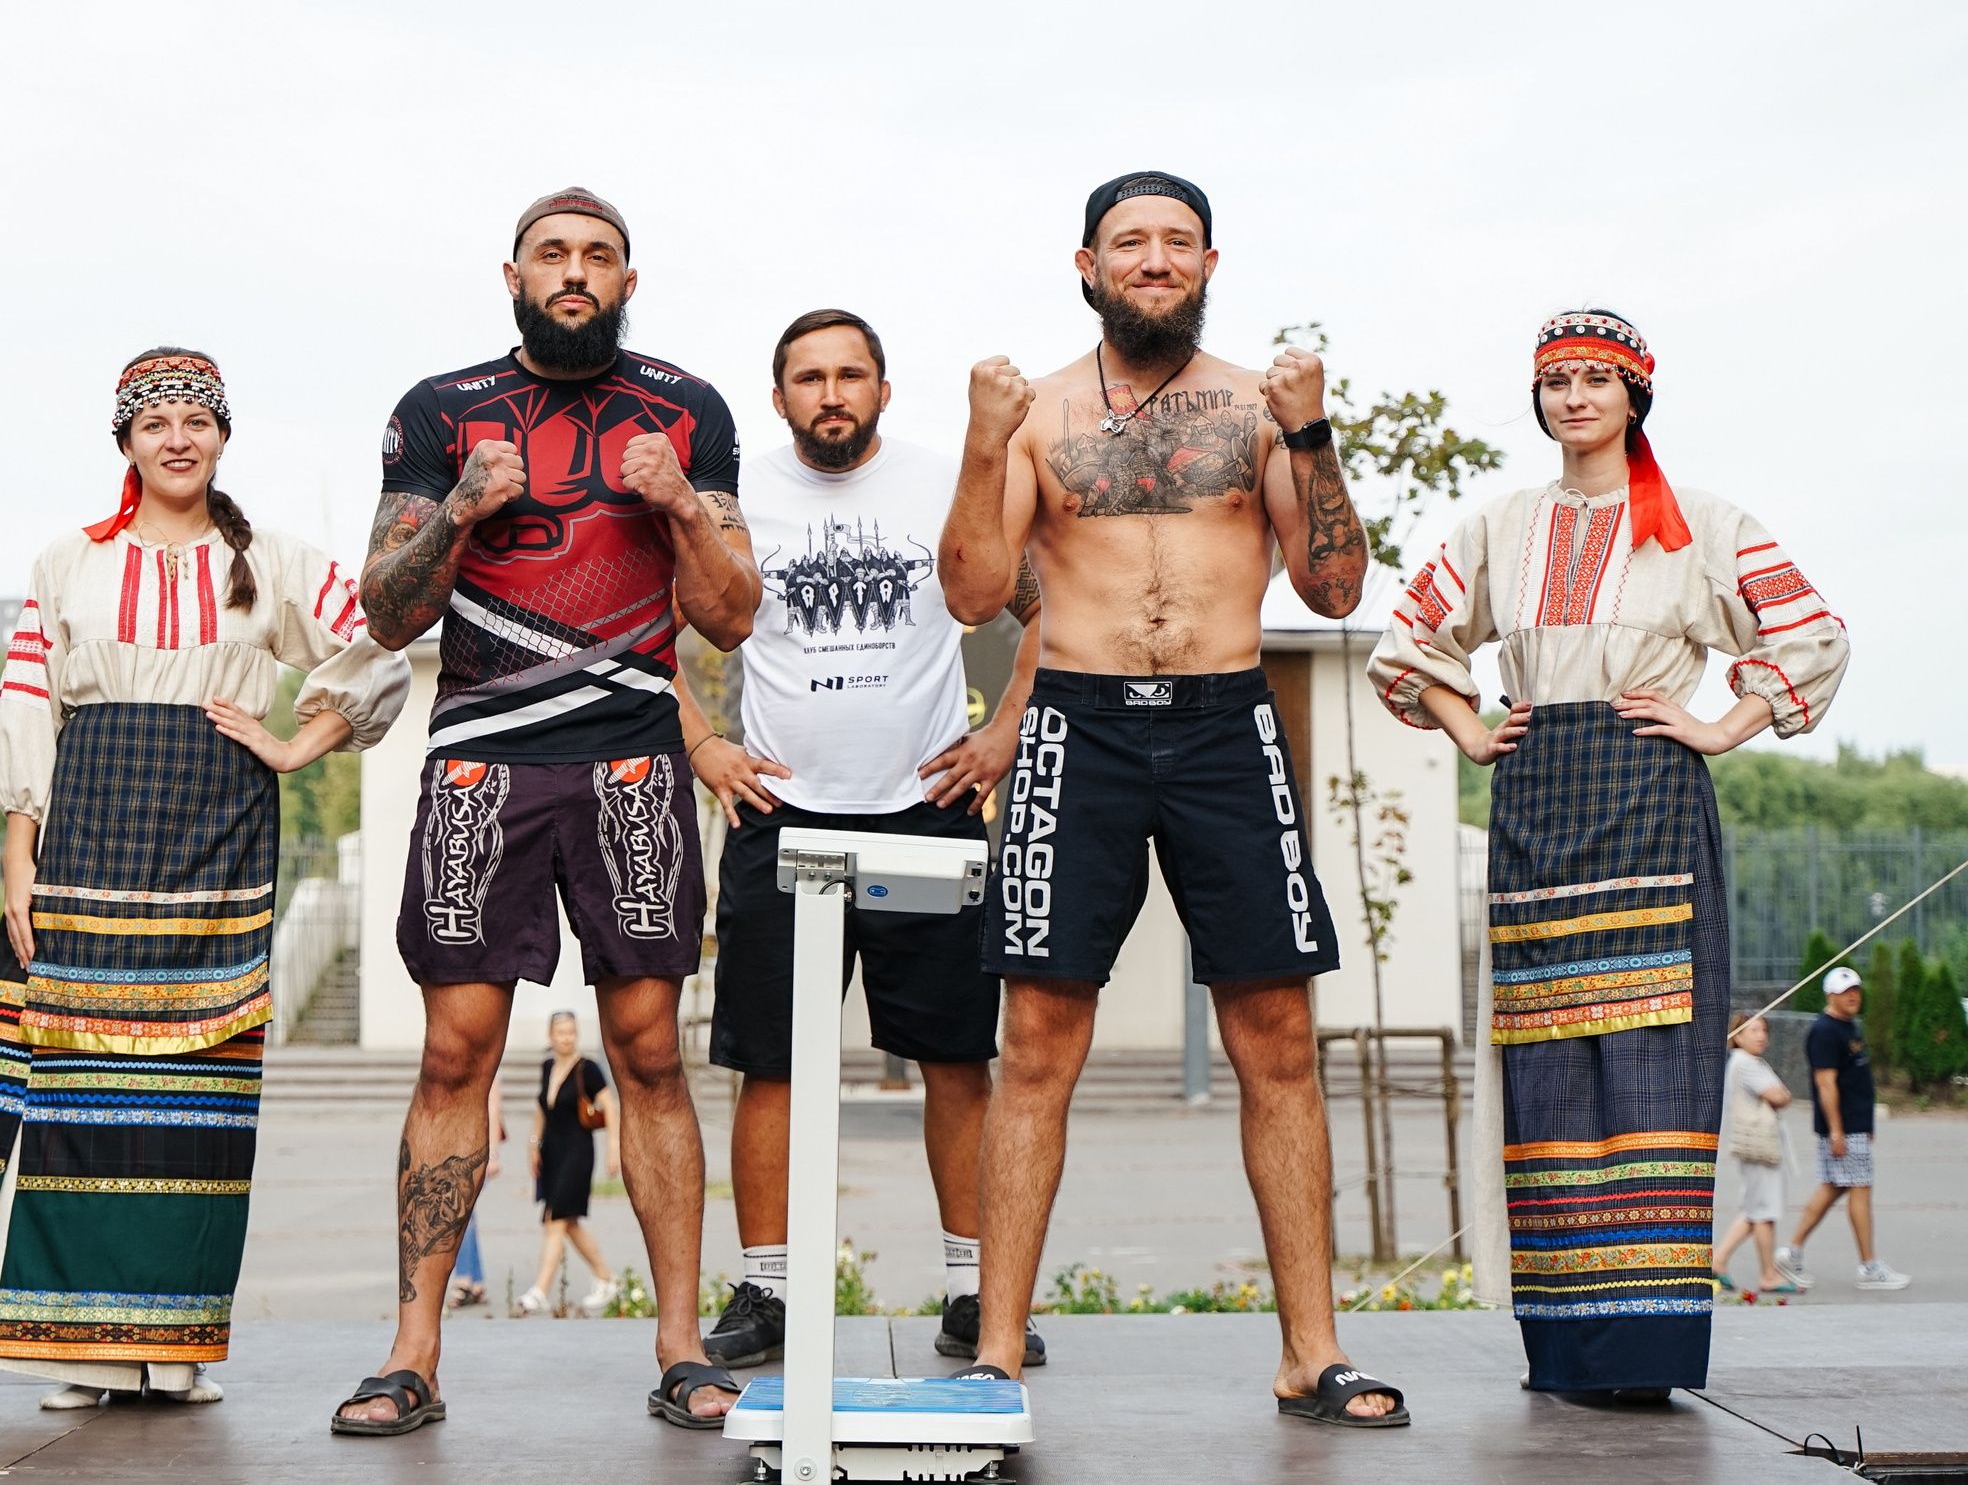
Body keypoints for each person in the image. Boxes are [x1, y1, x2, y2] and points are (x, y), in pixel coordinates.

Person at [938, 172, 1402, 1426]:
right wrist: (983, 443)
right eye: (1128, 242)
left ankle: (1311, 1353)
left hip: (1223, 724)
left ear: (1209, 263)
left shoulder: (1260, 406)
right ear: (1084, 264)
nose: (1153, 260)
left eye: (1175, 243)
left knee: (1278, 1043)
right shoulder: (1031, 412)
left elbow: (1336, 589)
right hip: (1073, 728)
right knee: (1034, 1046)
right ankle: (993, 1354)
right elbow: (976, 595)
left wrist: (1312, 434)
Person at [0, 348, 409, 1407]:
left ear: (222, 434)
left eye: (195, 418)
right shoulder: (65, 564)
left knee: (197, 1100)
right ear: (125, 441)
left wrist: (291, 746)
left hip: (220, 837)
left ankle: (173, 1348)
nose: (176, 437)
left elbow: (376, 650)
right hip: (88, 827)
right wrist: (16, 843)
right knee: (78, 1089)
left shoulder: (270, 558)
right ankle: (73, 1348)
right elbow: (29, 703)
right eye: (155, 421)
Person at [332, 187, 758, 1437]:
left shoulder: (688, 408)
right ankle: (413, 1352)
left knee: (652, 1054)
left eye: (599, 257)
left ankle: (680, 1347)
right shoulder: (440, 411)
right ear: (511, 273)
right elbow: (387, 612)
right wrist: (462, 506)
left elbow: (731, 614)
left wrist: (679, 502)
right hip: (483, 765)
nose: (575, 272)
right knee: (453, 1052)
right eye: (553, 255)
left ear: (629, 279)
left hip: (632, 761)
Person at [1368, 308, 1852, 1397]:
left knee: (1654, 1061)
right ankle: (1565, 1349)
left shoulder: (1699, 522)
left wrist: (1722, 725)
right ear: (1538, 396)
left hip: (1649, 800)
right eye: (1557, 380)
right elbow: (1408, 646)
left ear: (1635, 395)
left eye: (1598, 379)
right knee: (1545, 1069)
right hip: (1536, 796)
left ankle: (1643, 1349)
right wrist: (1472, 730)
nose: (1574, 397)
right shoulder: (1498, 524)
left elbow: (1810, 632)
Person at [681, 308, 1043, 1371]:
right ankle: (770, 1294)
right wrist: (703, 744)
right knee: (771, 1066)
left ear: (883, 390)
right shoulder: (733, 500)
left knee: (954, 1059)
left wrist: (1004, 730)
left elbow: (1042, 599)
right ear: (778, 394)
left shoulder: (942, 480)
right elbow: (647, 625)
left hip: (924, 807)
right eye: (808, 377)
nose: (830, 393)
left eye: (850, 375)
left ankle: (978, 1293)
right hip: (781, 813)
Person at [1779, 967, 1911, 1291]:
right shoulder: (1825, 1030)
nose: (1852, 996)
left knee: (1834, 1186)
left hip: (1854, 1125)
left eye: (1856, 990)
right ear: (1830, 995)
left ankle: (1791, 1252)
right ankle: (1869, 1267)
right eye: (1844, 991)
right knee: (1861, 1188)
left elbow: (1856, 1080)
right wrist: (1838, 1131)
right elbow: (1826, 1084)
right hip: (1842, 1128)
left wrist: (1865, 1124)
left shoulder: (1848, 1026)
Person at [516, 1011, 623, 1316]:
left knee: (555, 1219)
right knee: (569, 1222)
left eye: (571, 1032)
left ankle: (540, 1291)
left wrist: (613, 1147)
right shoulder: (548, 1066)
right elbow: (542, 1108)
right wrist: (533, 1144)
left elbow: (609, 1105)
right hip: (553, 1152)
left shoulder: (587, 1068)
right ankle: (607, 1277)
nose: (566, 1037)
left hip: (578, 1152)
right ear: (551, 1036)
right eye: (561, 1032)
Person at [1713, 1014, 1800, 1296]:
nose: (1761, 1035)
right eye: (1753, 1030)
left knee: (1753, 1208)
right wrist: (1781, 1094)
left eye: (1764, 1030)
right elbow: (1779, 1096)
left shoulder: (1738, 1062)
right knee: (1765, 1210)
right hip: (1760, 1146)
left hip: (1751, 1145)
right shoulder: (1747, 1063)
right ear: (1737, 1036)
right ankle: (1768, 1275)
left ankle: (1719, 1260)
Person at [445, 1069, 506, 1311]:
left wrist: (492, 1154)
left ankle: (464, 1280)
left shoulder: (489, 1064)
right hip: (454, 1147)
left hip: (476, 1149)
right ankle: (476, 1282)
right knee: (467, 1214)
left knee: (462, 1214)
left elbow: (493, 1110)